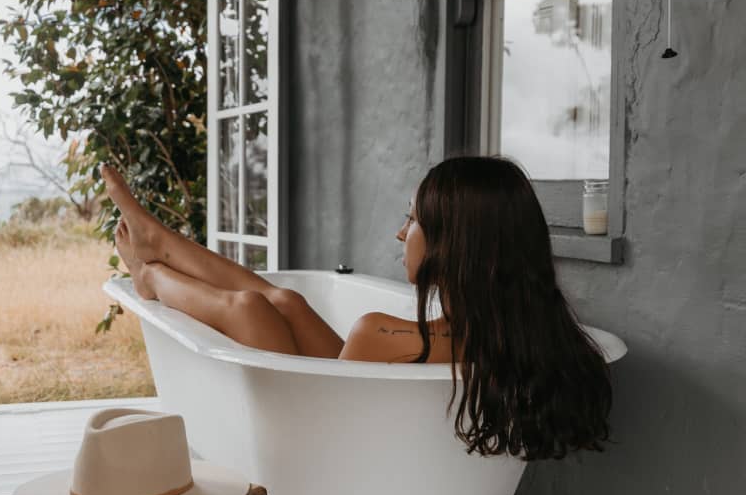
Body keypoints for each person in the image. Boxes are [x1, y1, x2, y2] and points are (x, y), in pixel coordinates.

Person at [103, 155, 612, 461]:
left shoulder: (382, 335)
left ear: (451, 245)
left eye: (411, 221)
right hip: (374, 447)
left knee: (248, 310)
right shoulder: (524, 336)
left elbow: (331, 423)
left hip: (333, 464)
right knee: (287, 300)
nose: (399, 233)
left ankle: (151, 275)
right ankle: (162, 246)